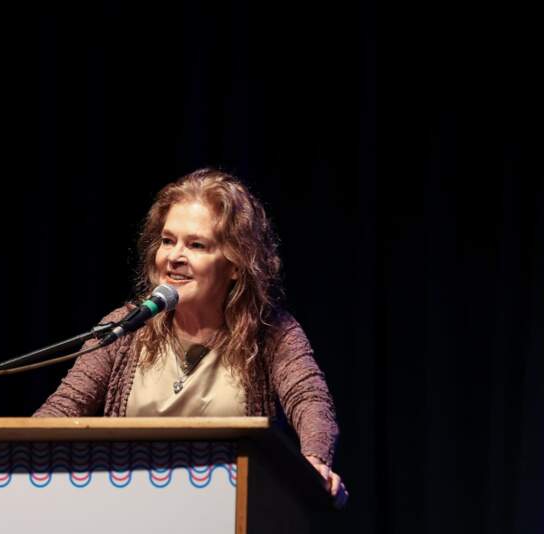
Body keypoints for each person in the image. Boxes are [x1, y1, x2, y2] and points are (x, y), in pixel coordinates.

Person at [34, 168, 347, 504]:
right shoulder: (126, 327)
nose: (174, 257)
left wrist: (314, 460)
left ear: (235, 264)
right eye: (168, 241)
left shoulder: (271, 332)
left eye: (196, 245)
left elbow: (310, 402)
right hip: (129, 509)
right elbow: (62, 410)